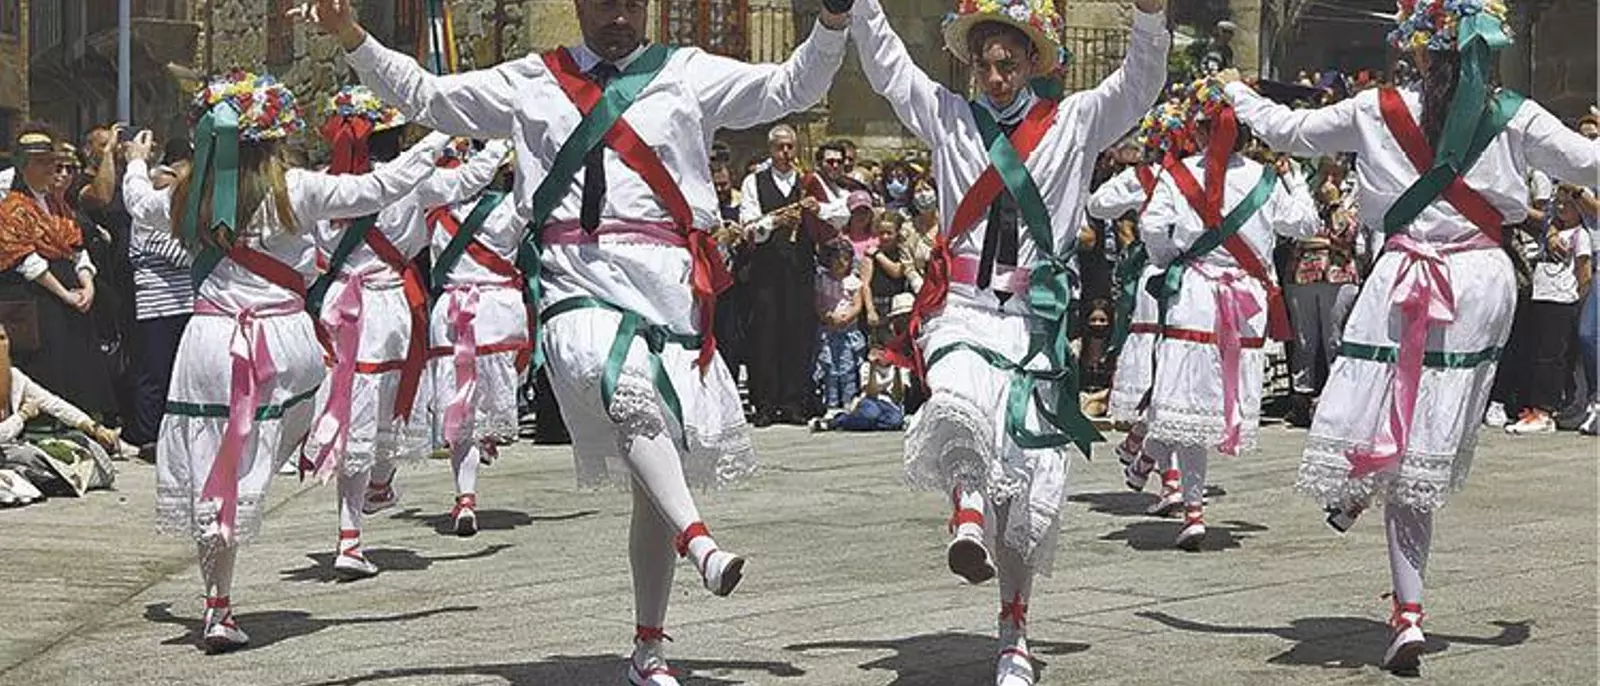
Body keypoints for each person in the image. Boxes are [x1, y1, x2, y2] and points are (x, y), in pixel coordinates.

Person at [300, 1, 852, 682]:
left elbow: (792, 87)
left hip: (667, 286)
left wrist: (832, 20)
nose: (618, 15)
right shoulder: (532, 80)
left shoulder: (686, 73)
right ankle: (700, 541)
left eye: (630, 3)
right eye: (603, 2)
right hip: (573, 278)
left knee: (653, 476)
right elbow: (427, 96)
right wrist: (351, 35)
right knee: (612, 375)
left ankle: (649, 648)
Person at [1219, 0, 1600, 672]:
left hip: (1402, 275)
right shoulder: (1515, 113)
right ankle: (1379, 509)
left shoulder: (1377, 108)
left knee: (1381, 393)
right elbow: (1590, 164)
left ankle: (1402, 594)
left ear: (1419, 48)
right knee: (1426, 431)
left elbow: (1289, 131)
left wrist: (1236, 93)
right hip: (1479, 284)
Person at [854, 0, 1168, 683]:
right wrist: (861, 7)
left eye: (1007, 64)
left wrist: (1149, 16)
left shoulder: (1075, 122)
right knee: (957, 395)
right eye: (984, 65)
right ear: (972, 66)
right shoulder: (948, 117)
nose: (995, 78)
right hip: (963, 307)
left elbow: (1139, 85)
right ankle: (966, 516)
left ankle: (1013, 634)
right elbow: (888, 67)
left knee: (1023, 487)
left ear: (1031, 63)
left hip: (1033, 320)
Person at [148, 70, 447, 653]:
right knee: (297, 427)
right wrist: (439, 138)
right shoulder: (298, 189)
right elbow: (382, 186)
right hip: (282, 341)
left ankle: (217, 603)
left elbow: (137, 202)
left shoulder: (186, 194)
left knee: (216, 465)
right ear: (276, 136)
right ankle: (313, 485)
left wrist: (136, 163)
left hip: (206, 340)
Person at [303, 87, 509, 577]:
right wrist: (500, 140)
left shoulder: (319, 184)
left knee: (350, 412)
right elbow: (473, 178)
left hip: (337, 307)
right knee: (388, 408)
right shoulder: (410, 182)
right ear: (395, 136)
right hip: (388, 308)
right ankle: (374, 489)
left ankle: (351, 533)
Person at [1139, 80, 1319, 551]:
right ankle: (1150, 457)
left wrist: (1171, 259)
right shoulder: (1265, 179)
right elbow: (1306, 223)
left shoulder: (1178, 174)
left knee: (1183, 399)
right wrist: (1296, 178)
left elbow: (1151, 227)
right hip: (1246, 305)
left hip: (1196, 295)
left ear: (1200, 130)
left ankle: (1187, 502)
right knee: (1210, 403)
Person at [0, 126, 116, 421]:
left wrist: (87, 285)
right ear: (24, 167)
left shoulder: (58, 205)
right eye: (42, 163)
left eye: (51, 162)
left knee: (78, 364)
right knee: (50, 366)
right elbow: (26, 260)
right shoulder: (13, 207)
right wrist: (65, 294)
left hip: (73, 297)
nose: (50, 169)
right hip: (41, 300)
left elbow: (76, 247)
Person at [740, 126, 842, 427]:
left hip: (800, 268)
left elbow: (841, 213)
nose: (786, 153)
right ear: (770, 149)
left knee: (798, 333)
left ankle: (794, 402)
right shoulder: (754, 181)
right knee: (765, 333)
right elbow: (748, 225)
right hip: (766, 269)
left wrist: (818, 208)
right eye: (780, 147)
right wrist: (775, 221)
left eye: (790, 147)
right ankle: (765, 403)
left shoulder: (809, 180)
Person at [122, 137, 197, 458]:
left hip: (185, 302)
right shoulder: (146, 222)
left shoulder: (174, 219)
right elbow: (182, 256)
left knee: (180, 372)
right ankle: (148, 434)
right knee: (155, 371)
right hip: (158, 306)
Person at [1503, 184, 1592, 434]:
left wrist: (1577, 297)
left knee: (1552, 357)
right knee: (1537, 352)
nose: (1562, 208)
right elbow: (1533, 218)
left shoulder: (1581, 235)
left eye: (1568, 204)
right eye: (1558, 203)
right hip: (1541, 296)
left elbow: (1584, 272)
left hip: (1562, 300)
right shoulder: (1550, 231)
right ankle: (1533, 406)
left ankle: (1545, 410)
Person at [1285, 155, 1362, 424]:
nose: (1329, 179)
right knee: (1303, 341)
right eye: (1324, 172)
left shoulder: (1354, 195)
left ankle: (1339, 400)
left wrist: (1334, 203)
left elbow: (1347, 234)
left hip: (1338, 275)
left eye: (1335, 173)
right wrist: (1324, 241)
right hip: (1302, 274)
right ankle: (1301, 399)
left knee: (1335, 339)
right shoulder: (1305, 194)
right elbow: (1295, 233)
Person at [814, 238, 867, 416]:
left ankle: (848, 401)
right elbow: (818, 303)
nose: (841, 262)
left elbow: (857, 305)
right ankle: (831, 403)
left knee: (848, 368)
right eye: (836, 258)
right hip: (828, 331)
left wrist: (847, 317)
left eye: (845, 258)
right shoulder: (822, 280)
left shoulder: (853, 281)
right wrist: (827, 316)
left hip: (848, 331)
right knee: (829, 368)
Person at [862, 210, 913, 339]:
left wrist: (878, 255)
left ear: (897, 233)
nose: (885, 237)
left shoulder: (903, 252)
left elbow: (897, 271)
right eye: (881, 233)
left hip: (900, 305)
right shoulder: (869, 255)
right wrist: (870, 310)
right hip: (877, 304)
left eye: (889, 233)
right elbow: (865, 284)